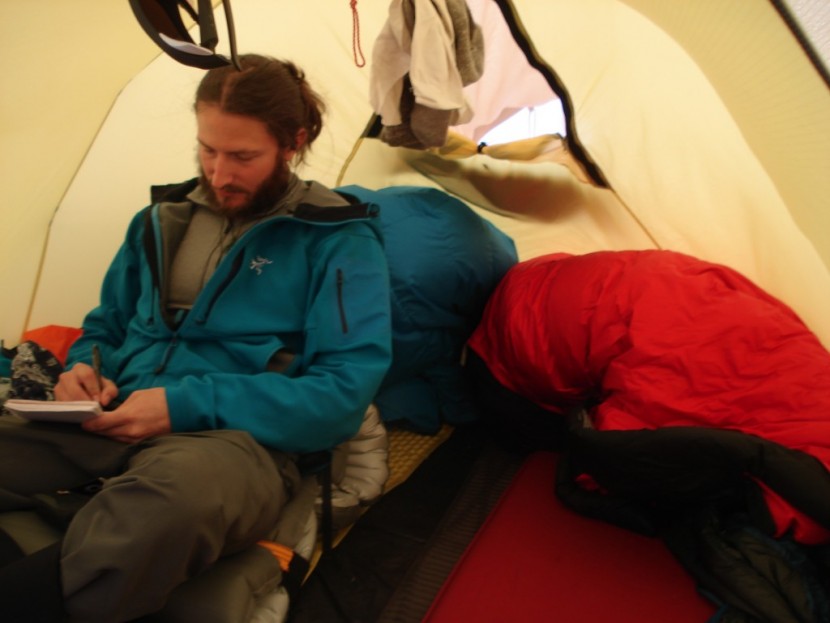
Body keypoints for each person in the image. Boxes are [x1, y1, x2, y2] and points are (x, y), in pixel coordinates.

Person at [0, 53, 392, 622]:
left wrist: (184, 405)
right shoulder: (160, 220)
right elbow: (106, 323)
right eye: (207, 149)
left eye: (242, 156)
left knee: (168, 507)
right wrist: (82, 369)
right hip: (108, 417)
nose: (219, 173)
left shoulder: (338, 242)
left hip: (232, 445)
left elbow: (340, 397)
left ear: (293, 142)